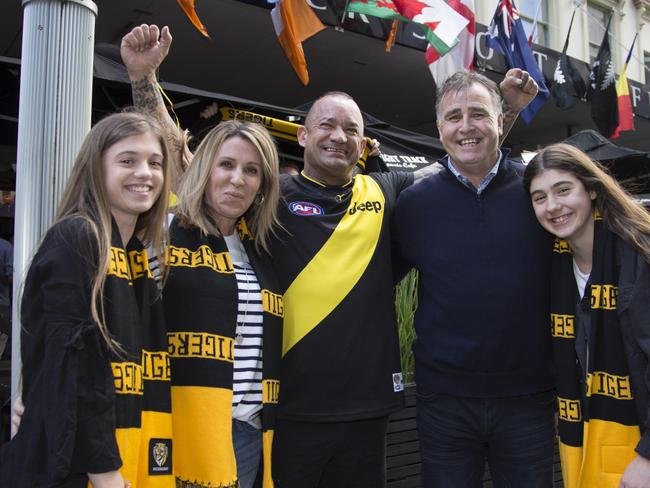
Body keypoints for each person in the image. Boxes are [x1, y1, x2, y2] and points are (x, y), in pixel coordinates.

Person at [121, 24, 538, 488]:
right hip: (287, 411)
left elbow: (469, 157)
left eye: (352, 130)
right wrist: (143, 79)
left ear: (363, 144)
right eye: (327, 125)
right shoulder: (268, 200)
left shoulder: (388, 191)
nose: (339, 136)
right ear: (302, 135)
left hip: (370, 411)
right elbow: (188, 171)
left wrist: (505, 110)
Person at [395, 70, 555, 487]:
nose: (466, 127)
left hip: (528, 399)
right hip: (443, 401)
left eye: (479, 114)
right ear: (440, 128)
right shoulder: (414, 204)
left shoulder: (536, 192)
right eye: (454, 117)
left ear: (501, 121)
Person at [0, 112, 174, 487]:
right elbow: (71, 364)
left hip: (125, 446)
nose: (145, 173)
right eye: (127, 160)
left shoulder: (137, 254)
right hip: (76, 468)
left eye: (155, 163)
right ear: (96, 168)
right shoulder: (79, 237)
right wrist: (105, 471)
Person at [162, 120, 283, 488]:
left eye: (251, 170)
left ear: (262, 186)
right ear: (205, 168)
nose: (237, 179)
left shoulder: (260, 251)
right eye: (226, 165)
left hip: (247, 433)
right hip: (179, 428)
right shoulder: (165, 233)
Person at [524, 143, 650, 488]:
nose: (553, 206)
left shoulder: (638, 253)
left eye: (563, 190)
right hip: (582, 440)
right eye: (539, 197)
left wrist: (647, 456)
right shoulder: (555, 262)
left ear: (592, 189)